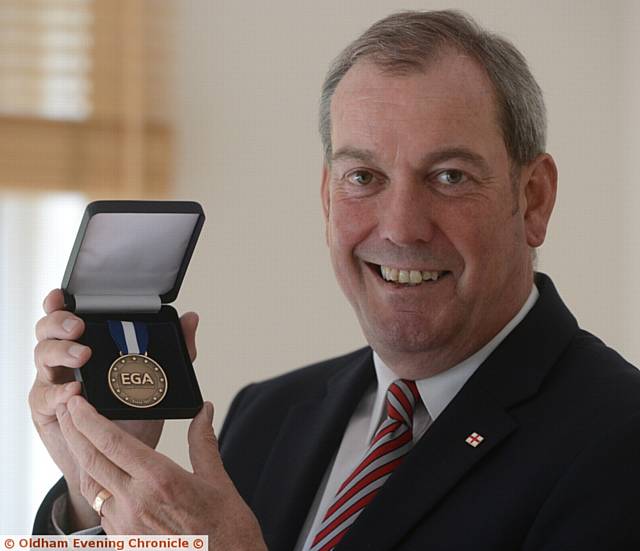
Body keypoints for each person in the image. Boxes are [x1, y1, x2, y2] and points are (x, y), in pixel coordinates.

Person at [31, 9, 640, 550]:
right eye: (363, 177)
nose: (401, 227)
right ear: (327, 196)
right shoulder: (267, 415)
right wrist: (101, 484)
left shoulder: (619, 440)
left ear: (532, 199)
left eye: (449, 176)